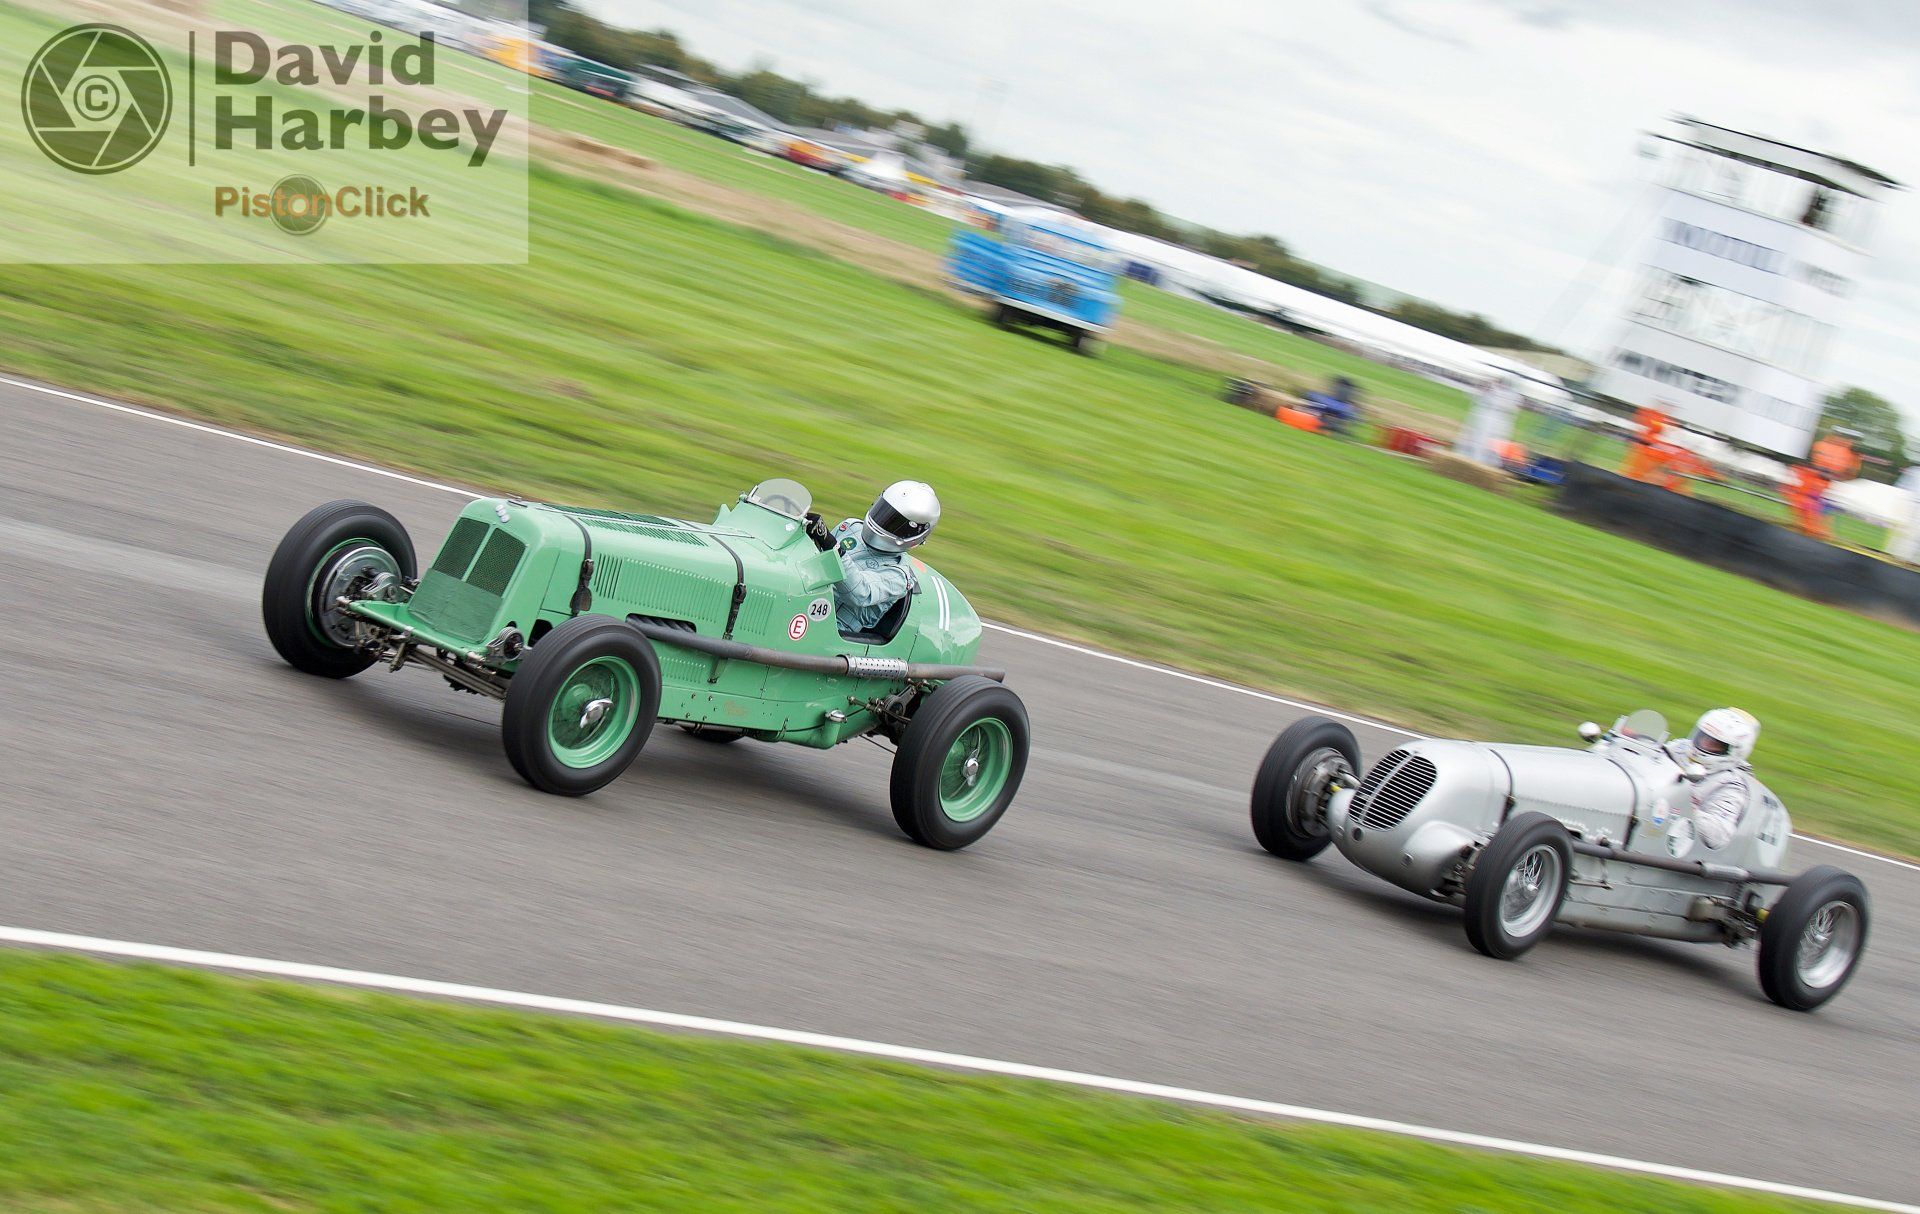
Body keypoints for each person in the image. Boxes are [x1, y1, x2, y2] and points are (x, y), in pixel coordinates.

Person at [804, 481, 940, 635]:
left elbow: (859, 593)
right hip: (803, 598)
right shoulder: (852, 526)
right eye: (883, 512)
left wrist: (832, 546)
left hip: (831, 629)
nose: (884, 522)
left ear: (915, 534)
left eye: (895, 523)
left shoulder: (898, 576)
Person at [1667, 708, 1761, 850]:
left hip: (1677, 843)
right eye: (1703, 737)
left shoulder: (1731, 786)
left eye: (1715, 744)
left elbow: (1718, 834)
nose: (1705, 745)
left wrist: (1683, 807)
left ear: (1735, 751)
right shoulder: (1678, 749)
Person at [1456, 374, 1521, 469]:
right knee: (1481, 439)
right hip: (1492, 415)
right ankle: (1476, 460)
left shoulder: (1505, 392)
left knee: (1489, 441)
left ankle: (1484, 461)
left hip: (1494, 416)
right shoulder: (1502, 390)